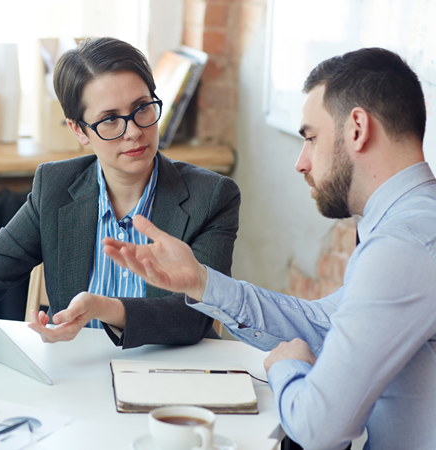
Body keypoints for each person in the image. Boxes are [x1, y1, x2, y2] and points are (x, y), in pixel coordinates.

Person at [103, 47, 436, 450]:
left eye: (312, 138)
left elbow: (318, 429)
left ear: (357, 128)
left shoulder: (403, 247)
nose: (301, 162)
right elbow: (325, 322)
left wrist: (288, 367)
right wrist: (202, 282)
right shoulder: (414, 227)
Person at [0, 37, 241, 352]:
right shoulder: (55, 186)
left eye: (142, 108)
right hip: (77, 373)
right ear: (79, 131)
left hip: (175, 376)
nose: (133, 131)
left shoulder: (211, 196)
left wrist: (105, 308)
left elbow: (194, 316)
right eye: (110, 119)